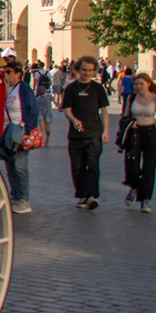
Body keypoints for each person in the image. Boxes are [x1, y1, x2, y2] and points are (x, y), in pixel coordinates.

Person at [60, 56, 110, 209]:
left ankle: (93, 195)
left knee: (93, 164)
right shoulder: (71, 89)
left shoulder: (98, 88)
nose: (87, 73)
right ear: (77, 70)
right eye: (84, 70)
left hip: (94, 132)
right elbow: (67, 110)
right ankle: (82, 194)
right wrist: (74, 120)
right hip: (76, 135)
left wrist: (106, 130)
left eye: (90, 70)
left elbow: (104, 111)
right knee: (77, 167)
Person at [0, 57, 40, 214]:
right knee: (10, 165)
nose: (7, 75)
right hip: (7, 132)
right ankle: (15, 196)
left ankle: (24, 199)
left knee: (20, 166)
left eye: (10, 72)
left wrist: (26, 130)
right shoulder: (6, 88)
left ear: (19, 74)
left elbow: (32, 110)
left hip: (18, 131)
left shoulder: (24, 88)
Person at [120, 73, 156, 213]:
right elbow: (125, 116)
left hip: (149, 133)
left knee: (149, 168)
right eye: (136, 84)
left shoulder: (155, 98)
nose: (138, 86)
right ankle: (134, 187)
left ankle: (146, 199)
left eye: (141, 84)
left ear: (148, 84)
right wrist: (129, 123)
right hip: (134, 134)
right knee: (131, 166)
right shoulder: (132, 97)